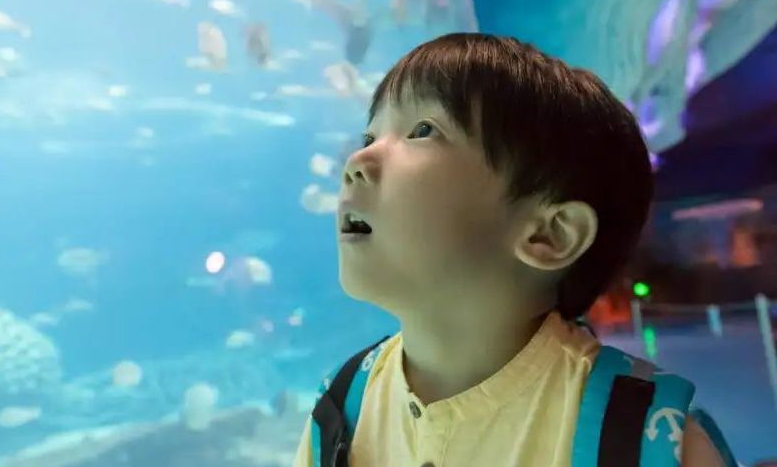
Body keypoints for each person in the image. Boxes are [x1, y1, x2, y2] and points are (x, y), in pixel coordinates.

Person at [292, 33, 738, 466]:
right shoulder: (340, 409)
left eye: (422, 130)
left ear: (550, 235)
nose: (356, 161)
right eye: (369, 138)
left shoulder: (649, 440)